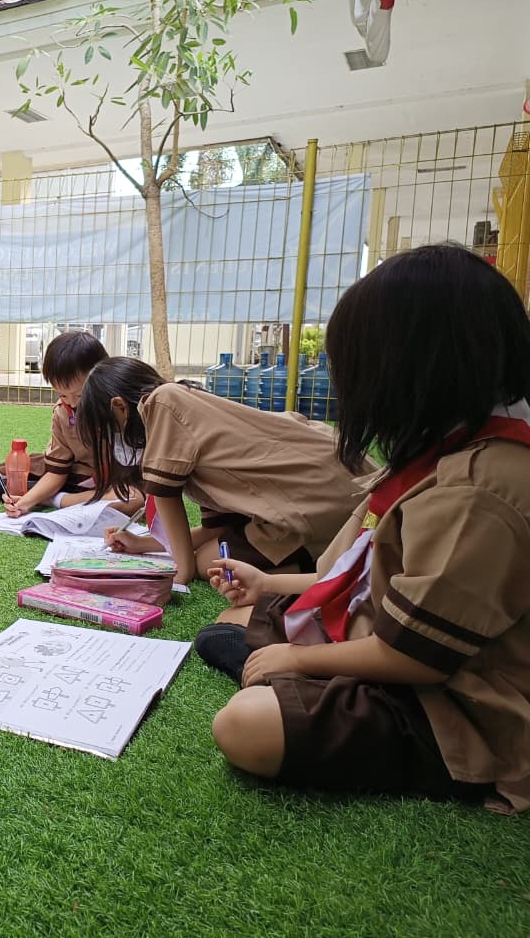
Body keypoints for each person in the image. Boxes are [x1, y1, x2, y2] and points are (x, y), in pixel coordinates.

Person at [201, 244, 530, 813]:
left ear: (413, 366)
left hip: (457, 703)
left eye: (353, 367)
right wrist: (267, 584)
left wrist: (300, 660)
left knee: (244, 727)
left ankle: (292, 679)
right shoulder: (439, 449)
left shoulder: (481, 485)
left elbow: (420, 657)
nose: (342, 386)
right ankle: (292, 669)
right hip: (382, 631)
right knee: (229, 622)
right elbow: (348, 574)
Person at [75, 356, 373, 586]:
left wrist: (181, 572)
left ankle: (315, 567)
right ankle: (318, 565)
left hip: (322, 496)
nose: (112, 442)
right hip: (337, 483)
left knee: (211, 560)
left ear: (119, 407)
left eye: (106, 430)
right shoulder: (190, 416)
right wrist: (143, 545)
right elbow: (215, 528)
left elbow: (165, 498)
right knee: (215, 550)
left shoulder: (163, 402)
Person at [0, 330, 119, 514]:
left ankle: (52, 497)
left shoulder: (117, 408)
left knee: (123, 498)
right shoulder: (63, 411)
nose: (72, 403)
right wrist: (24, 503)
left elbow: (134, 494)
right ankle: (43, 491)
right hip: (70, 472)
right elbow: (57, 472)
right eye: (62, 394)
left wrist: (42, 498)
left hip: (109, 478)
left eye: (80, 395)